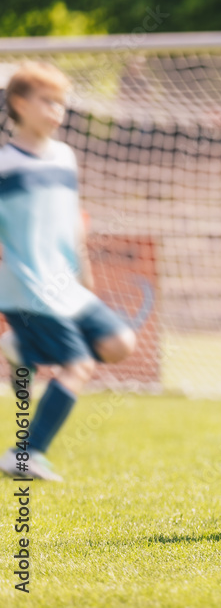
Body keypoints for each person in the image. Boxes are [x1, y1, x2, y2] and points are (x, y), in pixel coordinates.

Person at [0, 62, 137, 481]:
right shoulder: (5, 164)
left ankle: (24, 349)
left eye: (61, 103)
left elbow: (72, 222)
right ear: (19, 104)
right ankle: (25, 455)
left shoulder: (65, 157)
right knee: (78, 367)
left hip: (67, 285)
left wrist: (84, 272)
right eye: (47, 101)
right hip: (29, 287)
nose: (57, 110)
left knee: (119, 342)